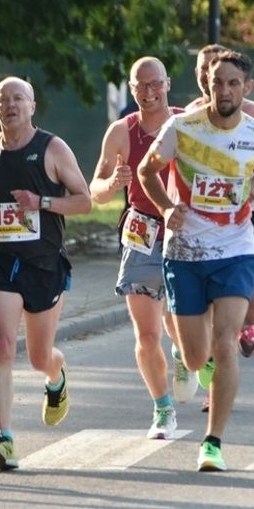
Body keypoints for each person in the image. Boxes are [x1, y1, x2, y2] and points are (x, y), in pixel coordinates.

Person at [138, 50, 254, 471]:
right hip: (184, 252)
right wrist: (165, 206)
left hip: (235, 248)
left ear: (246, 88)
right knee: (199, 357)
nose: (225, 91)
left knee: (227, 342)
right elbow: (147, 171)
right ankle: (188, 359)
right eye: (218, 83)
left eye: (233, 83)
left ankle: (212, 443)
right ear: (208, 86)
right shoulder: (181, 128)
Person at [0, 76, 92, 470]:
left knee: (39, 357)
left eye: (18, 98)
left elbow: (84, 201)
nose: (10, 105)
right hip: (0, 258)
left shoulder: (52, 148)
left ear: (32, 106)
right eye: (3, 100)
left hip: (43, 263)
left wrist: (42, 202)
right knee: (1, 345)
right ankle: (4, 439)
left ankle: (56, 377)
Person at [90, 57, 188, 440]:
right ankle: (163, 409)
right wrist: (113, 183)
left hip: (185, 233)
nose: (149, 93)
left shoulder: (187, 123)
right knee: (146, 333)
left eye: (155, 85)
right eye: (140, 86)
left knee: (180, 324)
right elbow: (94, 189)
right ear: (132, 90)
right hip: (142, 234)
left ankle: (184, 355)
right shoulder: (121, 131)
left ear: (167, 84)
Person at [187, 44, 254, 364]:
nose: (210, 78)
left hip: (245, 219)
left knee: (253, 308)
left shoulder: (252, 112)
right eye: (205, 71)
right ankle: (213, 372)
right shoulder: (188, 117)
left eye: (215, 72)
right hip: (203, 223)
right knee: (209, 309)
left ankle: (243, 327)